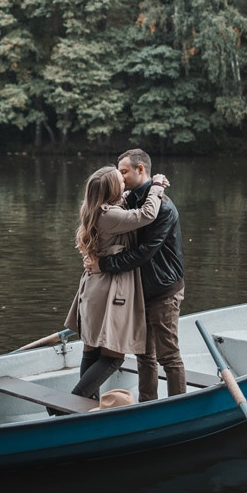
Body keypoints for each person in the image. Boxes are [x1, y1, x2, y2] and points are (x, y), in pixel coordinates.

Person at [63, 165, 169, 402]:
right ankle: (69, 404)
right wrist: (157, 187)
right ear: (111, 189)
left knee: (91, 351)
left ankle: (86, 407)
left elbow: (125, 199)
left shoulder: (94, 208)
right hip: (109, 291)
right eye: (118, 178)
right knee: (113, 357)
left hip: (92, 288)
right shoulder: (110, 216)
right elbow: (146, 215)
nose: (123, 179)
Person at [88, 149, 186, 402]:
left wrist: (104, 264)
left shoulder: (162, 207)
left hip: (163, 289)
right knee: (144, 354)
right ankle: (147, 405)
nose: (120, 177)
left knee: (169, 356)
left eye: (123, 172)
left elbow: (143, 253)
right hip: (139, 289)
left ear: (140, 170)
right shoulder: (129, 199)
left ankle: (179, 407)